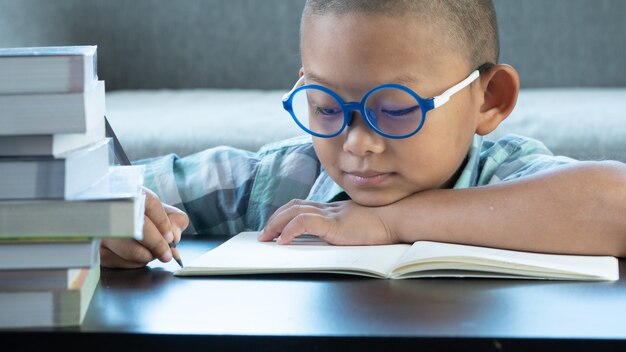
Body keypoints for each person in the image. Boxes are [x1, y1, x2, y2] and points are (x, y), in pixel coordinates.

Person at [100, 0, 626, 268]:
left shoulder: (507, 175)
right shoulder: (284, 178)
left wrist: (391, 223)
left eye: (394, 110)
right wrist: (108, 221)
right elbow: (99, 190)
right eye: (326, 107)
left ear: (488, 101)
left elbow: (616, 205)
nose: (356, 144)